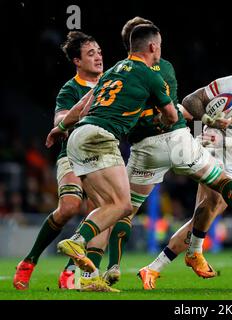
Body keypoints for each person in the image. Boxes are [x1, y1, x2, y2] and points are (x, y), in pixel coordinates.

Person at [45, 23, 179, 292]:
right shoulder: (151, 75)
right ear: (153, 48)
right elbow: (173, 117)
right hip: (101, 138)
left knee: (103, 207)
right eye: (159, 47)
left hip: (77, 136)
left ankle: (88, 280)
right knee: (122, 206)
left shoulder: (113, 71)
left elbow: (83, 105)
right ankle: (77, 240)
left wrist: (58, 129)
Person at [139, 48, 232, 289]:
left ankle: (157, 266)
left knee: (209, 209)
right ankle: (195, 250)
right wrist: (210, 122)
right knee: (213, 202)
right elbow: (191, 101)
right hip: (211, 144)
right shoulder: (230, 83)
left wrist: (227, 141)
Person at [12, 31, 105, 290]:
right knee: (70, 207)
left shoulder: (112, 84)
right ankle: (29, 261)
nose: (98, 57)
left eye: (99, 52)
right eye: (90, 53)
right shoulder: (71, 89)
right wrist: (91, 102)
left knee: (104, 214)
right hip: (73, 154)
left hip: (104, 157)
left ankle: (71, 272)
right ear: (77, 61)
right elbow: (59, 123)